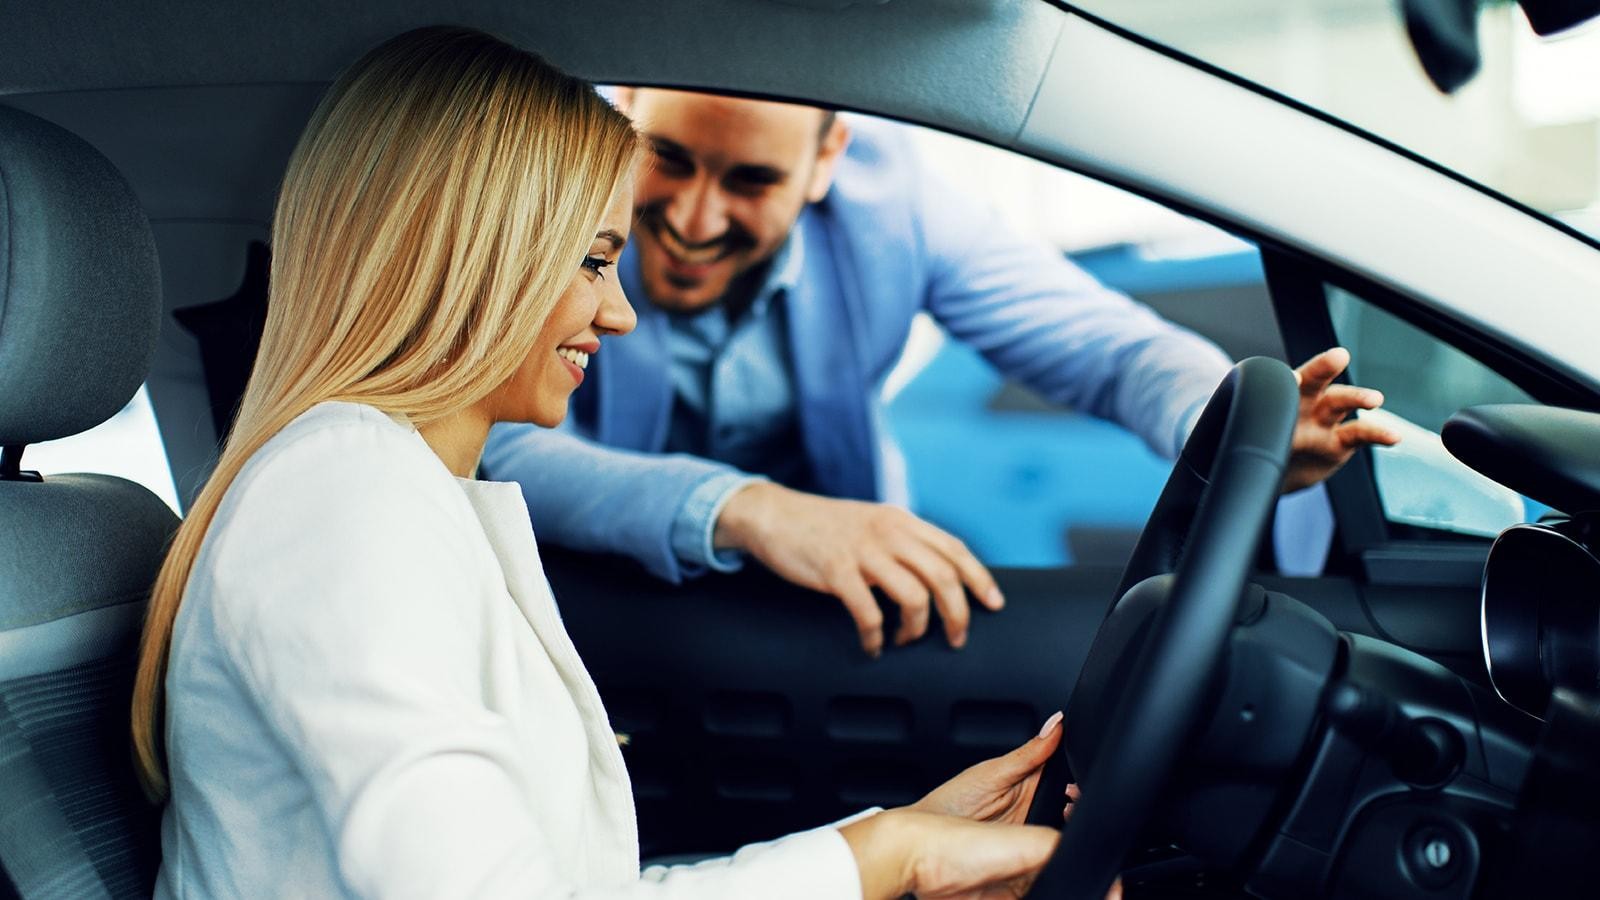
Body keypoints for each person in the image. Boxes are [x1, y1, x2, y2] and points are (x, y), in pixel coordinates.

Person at [130, 27, 1102, 899]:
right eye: (594, 263)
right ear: (476, 254)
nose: (621, 313)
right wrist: (884, 860)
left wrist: (892, 851)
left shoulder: (401, 491)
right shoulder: (345, 498)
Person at [482, 90, 1400, 656]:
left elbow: (1111, 350)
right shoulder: (548, 193)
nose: (691, 216)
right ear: (624, 102)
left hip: (821, 618)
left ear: (825, 162)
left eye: (751, 182)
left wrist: (1232, 425)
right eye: (667, 159)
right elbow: (495, 445)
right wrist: (747, 507)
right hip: (581, 605)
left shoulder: (898, 210)